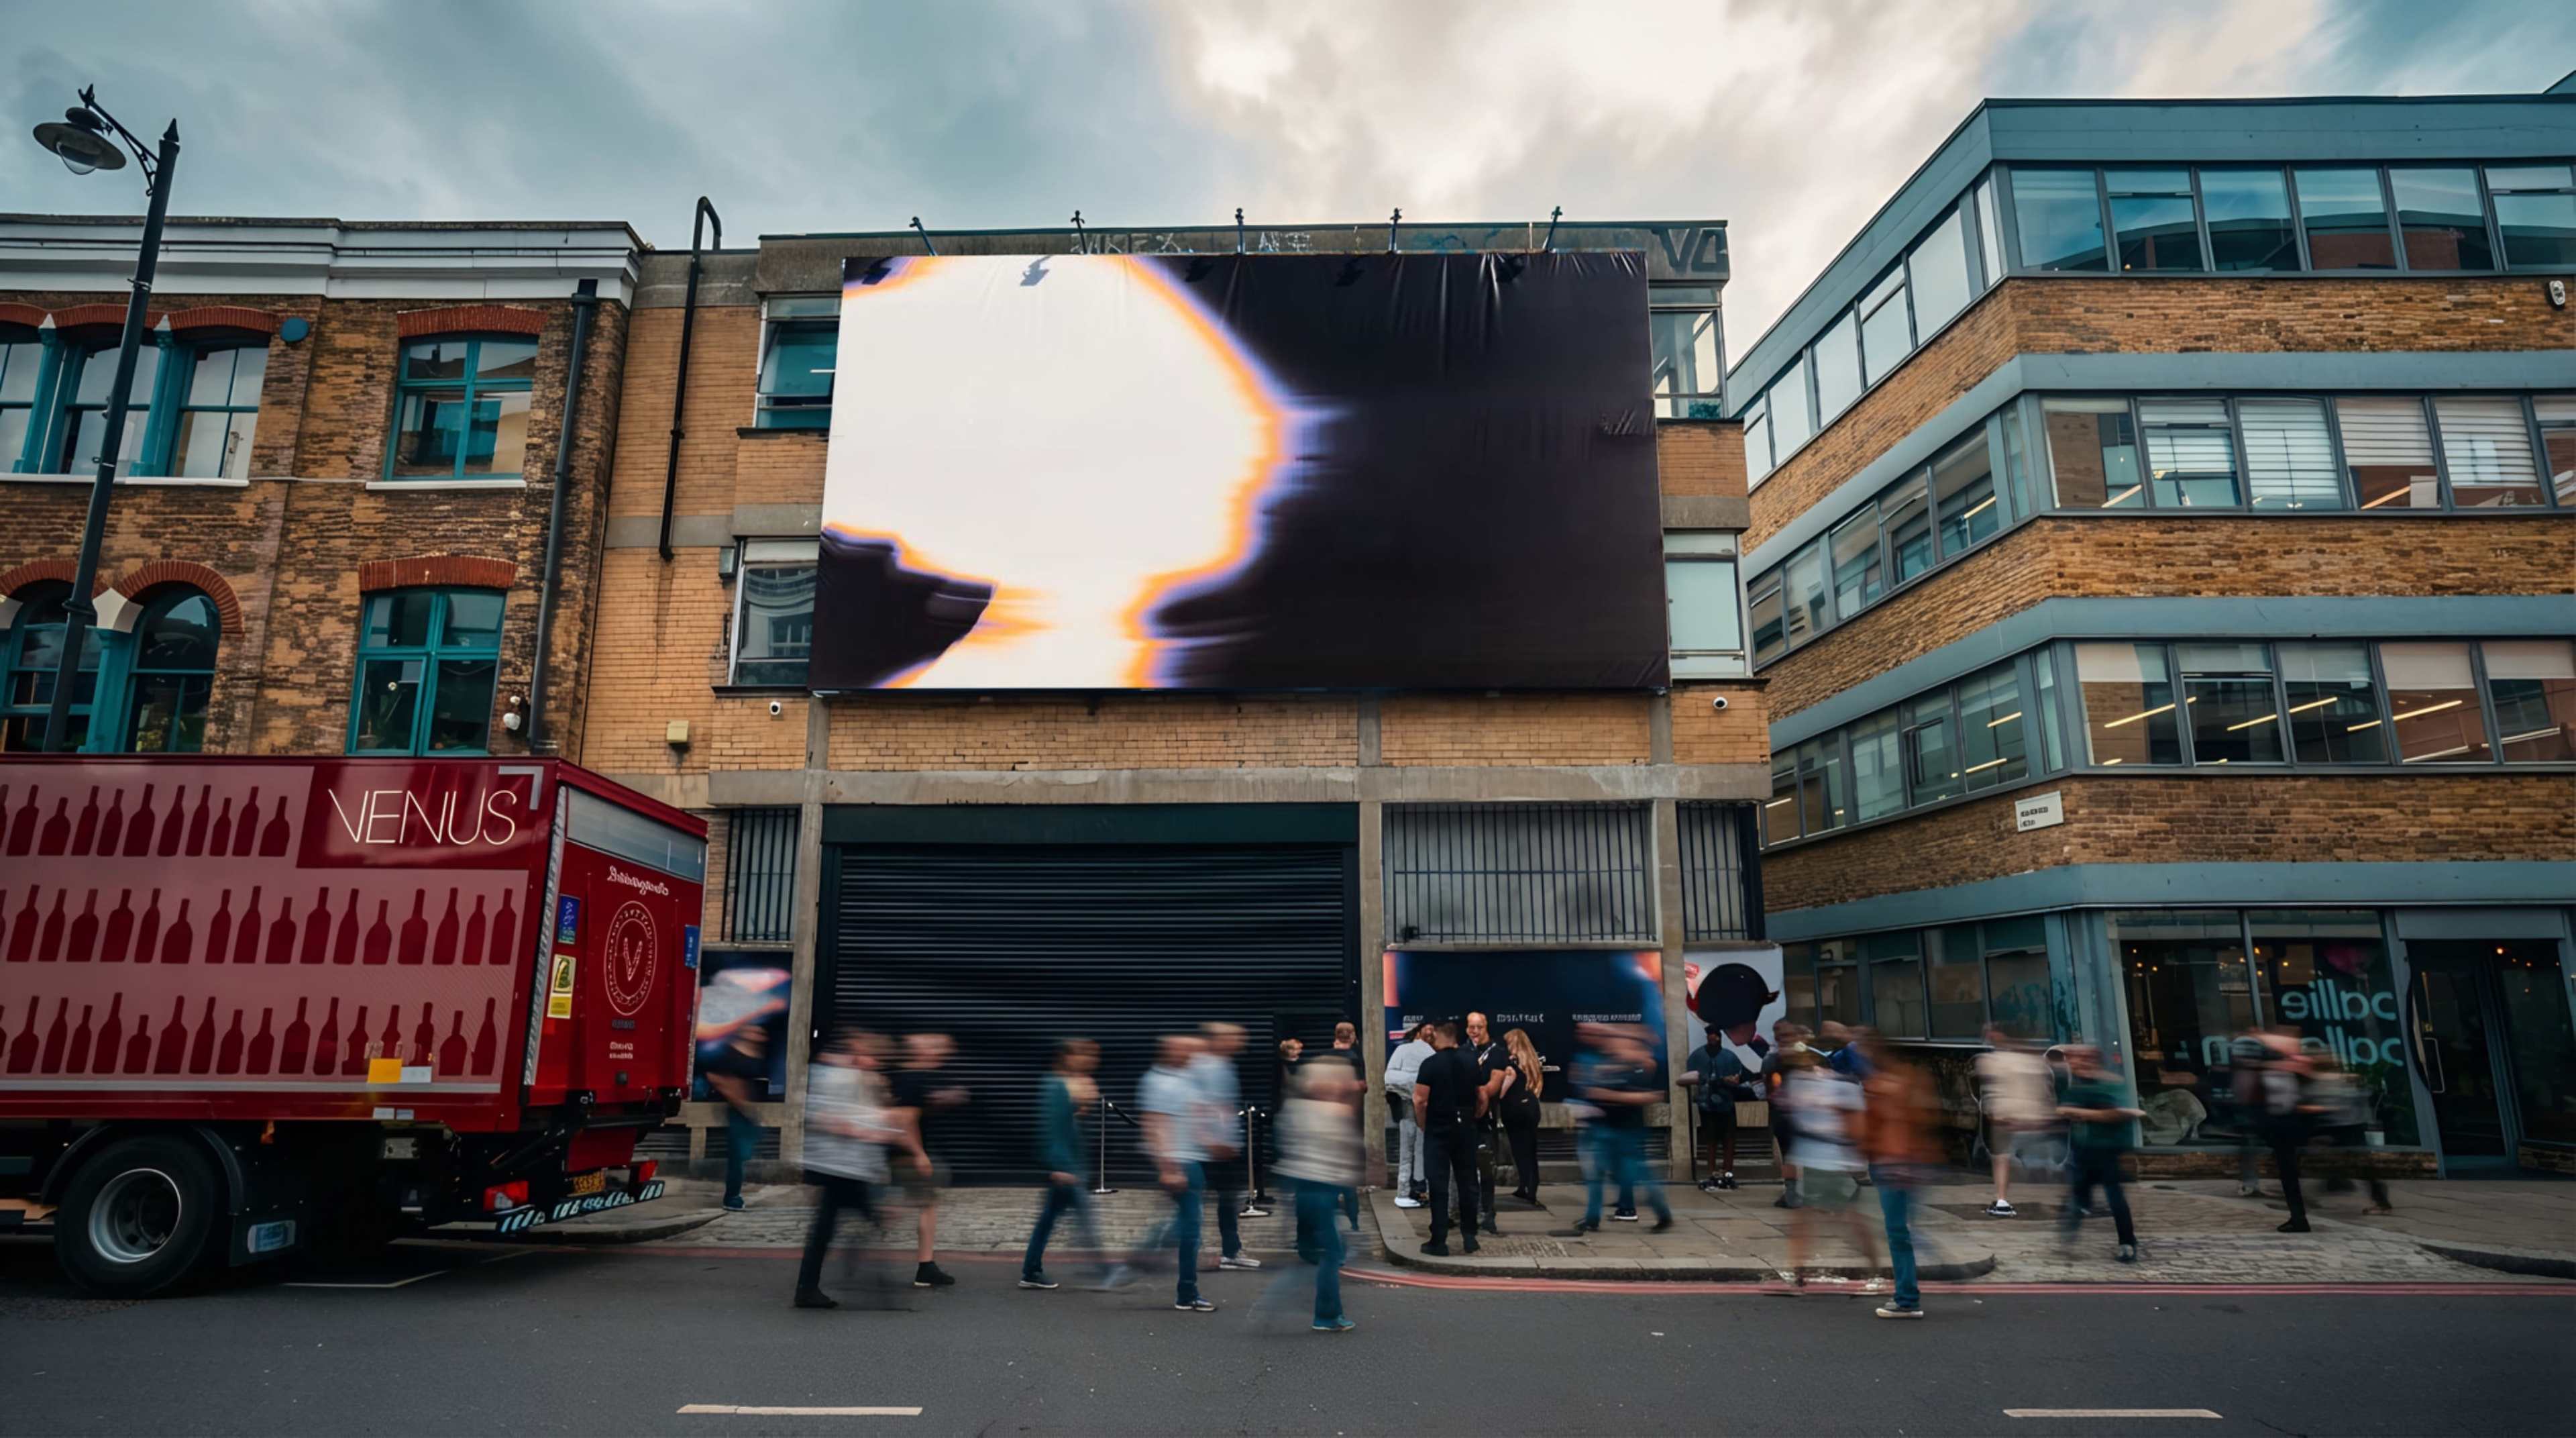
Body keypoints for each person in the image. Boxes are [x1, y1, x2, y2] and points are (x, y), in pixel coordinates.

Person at [795, 1030, 902, 1310]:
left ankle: (812, 1287)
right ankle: (870, 1281)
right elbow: (820, 1115)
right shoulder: (834, 1076)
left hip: (851, 1168)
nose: (874, 1061)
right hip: (837, 1167)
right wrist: (866, 1129)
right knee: (853, 1221)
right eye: (870, 1055)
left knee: (828, 1227)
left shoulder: (861, 1078)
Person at [1120, 1034, 1217, 1311]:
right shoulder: (1159, 1082)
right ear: (1171, 1052)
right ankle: (1186, 1292)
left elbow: (1194, 1119)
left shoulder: (1185, 1079)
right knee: (1190, 1229)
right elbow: (1154, 1125)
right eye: (1189, 1050)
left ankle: (1147, 1256)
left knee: (1186, 1225)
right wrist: (1168, 1168)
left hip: (1193, 1161)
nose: (1195, 1056)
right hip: (1180, 1163)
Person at [1271, 1061, 1362, 1333]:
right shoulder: (1336, 1112)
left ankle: (1276, 1298)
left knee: (1311, 1250)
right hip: (1324, 1191)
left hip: (1301, 1189)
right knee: (1331, 1255)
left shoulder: (1293, 1109)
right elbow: (1348, 1157)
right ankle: (1327, 1316)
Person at [1778, 1047, 1881, 1288]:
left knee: (1841, 1220)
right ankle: (1799, 1272)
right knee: (1815, 1219)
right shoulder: (1801, 1083)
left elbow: (1856, 1127)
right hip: (1818, 1160)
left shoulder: (1835, 1087)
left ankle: (1800, 1273)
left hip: (1829, 1161)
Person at [1859, 1029, 1938, 1319]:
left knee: (1898, 1232)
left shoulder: (1885, 1086)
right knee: (1903, 1231)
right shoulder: (1904, 1083)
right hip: (1900, 1164)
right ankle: (1908, 1293)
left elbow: (1884, 1128)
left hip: (1893, 1166)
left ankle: (1907, 1298)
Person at [1021, 1039, 1112, 1291]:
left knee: (1048, 1219)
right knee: (1086, 1219)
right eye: (1086, 1055)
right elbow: (1048, 1129)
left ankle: (1031, 1270)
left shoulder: (1068, 1083)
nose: (1092, 1060)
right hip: (1066, 1168)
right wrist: (1057, 1167)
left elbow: (1070, 1120)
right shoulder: (1054, 1085)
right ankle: (1107, 1273)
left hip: (1072, 1165)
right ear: (1068, 1056)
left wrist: (1082, 1103)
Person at [888, 1032, 967, 1288]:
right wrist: (919, 1154)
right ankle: (925, 1266)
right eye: (932, 1048)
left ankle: (926, 1265)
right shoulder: (913, 1078)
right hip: (907, 1154)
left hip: (903, 1153)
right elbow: (906, 1120)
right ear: (919, 1052)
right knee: (924, 1205)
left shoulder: (909, 1076)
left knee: (925, 1204)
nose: (939, 1052)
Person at [1575, 1026, 1672, 1234]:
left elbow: (1650, 1093)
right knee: (1597, 1175)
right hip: (1604, 1129)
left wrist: (1608, 1094)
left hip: (1628, 1131)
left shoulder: (1638, 1064)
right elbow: (1591, 1090)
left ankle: (1662, 1213)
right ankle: (1593, 1219)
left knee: (1636, 1175)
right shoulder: (1602, 1063)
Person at [2057, 1044, 2141, 1262]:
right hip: (2084, 1150)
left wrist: (2078, 1112)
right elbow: (2064, 1109)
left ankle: (2127, 1243)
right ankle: (2066, 1240)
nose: (2075, 1063)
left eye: (2080, 1059)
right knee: (2078, 1197)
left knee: (2115, 1198)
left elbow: (2114, 1115)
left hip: (2108, 1150)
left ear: (2092, 1061)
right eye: (2073, 1060)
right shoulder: (2078, 1086)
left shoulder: (2110, 1083)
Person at [1191, 1023, 1265, 1267]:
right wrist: (1210, 1140)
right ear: (1217, 1040)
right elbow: (1199, 1106)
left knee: (1227, 1201)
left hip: (1223, 1148)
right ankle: (1185, 1250)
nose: (1239, 1042)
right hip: (1209, 1148)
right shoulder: (1205, 1066)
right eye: (1233, 1038)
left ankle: (1231, 1252)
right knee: (1197, 1202)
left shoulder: (1224, 1066)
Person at [1411, 1019, 1485, 1255]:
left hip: (1438, 1127)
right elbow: (1481, 1095)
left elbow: (1420, 1100)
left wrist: (1423, 1125)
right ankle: (1470, 1237)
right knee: (1468, 1183)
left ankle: (1439, 1240)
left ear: (1438, 1037)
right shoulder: (1471, 1061)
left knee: (1438, 1184)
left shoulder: (1430, 1064)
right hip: (1465, 1127)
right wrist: (1474, 1116)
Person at [1975, 1026, 2054, 1217]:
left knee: (2001, 1158)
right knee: (2009, 1157)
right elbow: (2046, 1089)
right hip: (2033, 1118)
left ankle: (2002, 1200)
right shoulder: (2035, 1060)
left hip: (2007, 1118)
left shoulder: (1990, 1061)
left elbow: (1990, 1090)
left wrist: (1992, 1112)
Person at [2308, 1049, 2393, 1213]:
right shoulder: (2343, 1079)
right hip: (2348, 1126)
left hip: (2343, 1127)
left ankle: (2379, 1200)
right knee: (2357, 1164)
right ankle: (2339, 1182)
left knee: (2359, 1164)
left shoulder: (2325, 1081)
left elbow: (2331, 1105)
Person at [2256, 1025, 2316, 1233]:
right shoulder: (2288, 1067)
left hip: (2286, 1124)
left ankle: (2299, 1218)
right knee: (2288, 1172)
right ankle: (2298, 1216)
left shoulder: (2289, 1067)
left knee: (2289, 1173)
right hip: (2285, 1124)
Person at [1686, 1025, 1755, 1192]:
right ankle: (1711, 1172)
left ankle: (1728, 1172)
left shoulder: (1729, 1057)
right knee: (1711, 1140)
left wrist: (1729, 1081)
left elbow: (1738, 1079)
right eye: (1710, 1036)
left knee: (1729, 1139)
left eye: (1715, 1036)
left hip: (1727, 1104)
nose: (1713, 1039)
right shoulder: (1697, 1056)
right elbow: (1693, 1077)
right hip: (1707, 1105)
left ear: (1720, 1037)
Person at [1463, 1012, 1511, 1231]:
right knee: (1465, 1170)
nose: (1475, 1031)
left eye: (1479, 1027)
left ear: (1486, 1027)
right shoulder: (1462, 1052)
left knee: (1486, 1169)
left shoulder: (1498, 1053)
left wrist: (1479, 1093)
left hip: (1486, 1121)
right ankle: (1466, 1213)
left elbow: (1494, 1085)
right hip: (1464, 1120)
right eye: (1471, 1027)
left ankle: (1489, 1213)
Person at [1383, 1022, 1434, 1209]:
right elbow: (1390, 1078)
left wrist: (1410, 1085)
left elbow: (1391, 1079)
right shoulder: (1426, 1054)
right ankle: (1418, 1188)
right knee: (1420, 1149)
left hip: (1412, 1107)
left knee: (1409, 1151)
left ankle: (1407, 1190)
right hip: (1419, 1107)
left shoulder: (1404, 1051)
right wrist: (1419, 1084)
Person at [1760, 1020, 1810, 1209]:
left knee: (1790, 1155)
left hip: (1787, 1112)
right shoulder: (1805, 1056)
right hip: (1798, 1113)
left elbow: (1769, 1087)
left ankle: (1793, 1194)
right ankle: (1793, 1193)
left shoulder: (1773, 1059)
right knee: (1794, 1155)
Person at [1324, 1022, 1365, 1231]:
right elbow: (1362, 1087)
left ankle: (1329, 1218)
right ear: (1352, 1036)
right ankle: (1354, 1221)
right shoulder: (1355, 1059)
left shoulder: (1326, 1059)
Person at [1499, 1027, 1546, 1205]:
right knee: (1531, 1150)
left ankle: (1526, 1186)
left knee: (1519, 1150)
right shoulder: (1532, 1062)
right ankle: (1530, 1187)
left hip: (1515, 1110)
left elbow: (1502, 1092)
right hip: (1532, 1108)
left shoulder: (1511, 1065)